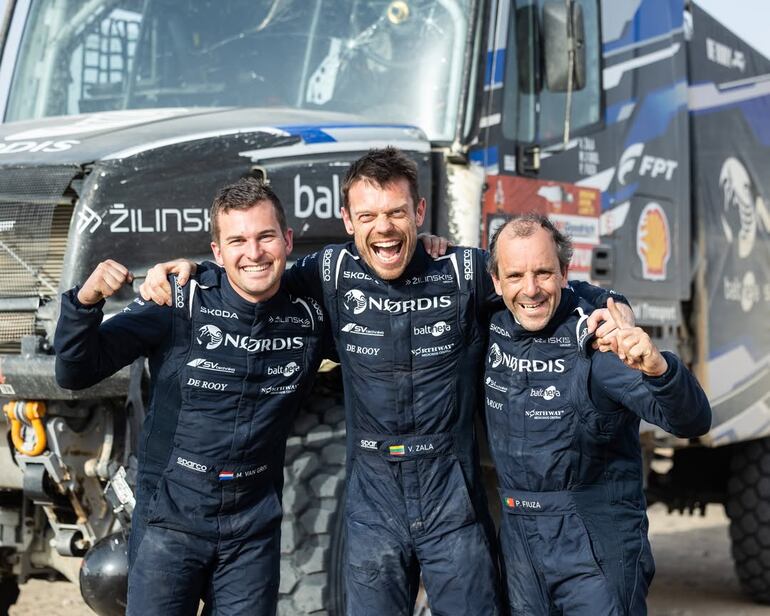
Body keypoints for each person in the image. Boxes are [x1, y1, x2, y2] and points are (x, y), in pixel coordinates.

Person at [141, 147, 632, 615]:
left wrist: (613, 307)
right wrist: (195, 272)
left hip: (452, 501)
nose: (384, 227)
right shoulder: (330, 271)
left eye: (397, 212)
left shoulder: (462, 271)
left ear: (419, 212)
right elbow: (252, 279)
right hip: (373, 506)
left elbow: (541, 282)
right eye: (368, 215)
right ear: (348, 221)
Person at [54, 178, 328, 616]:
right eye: (237, 241)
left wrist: (427, 253)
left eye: (266, 237)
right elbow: (75, 372)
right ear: (217, 252)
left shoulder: (311, 315)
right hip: (170, 521)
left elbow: (377, 300)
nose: (254, 252)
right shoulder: (178, 300)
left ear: (288, 240)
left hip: (252, 529)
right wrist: (86, 302)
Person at [484, 214, 712, 616]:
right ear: (496, 281)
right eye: (515, 275)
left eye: (543, 273)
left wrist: (659, 368)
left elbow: (691, 421)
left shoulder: (600, 341)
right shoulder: (488, 324)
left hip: (594, 543)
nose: (530, 289)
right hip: (519, 541)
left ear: (564, 273)